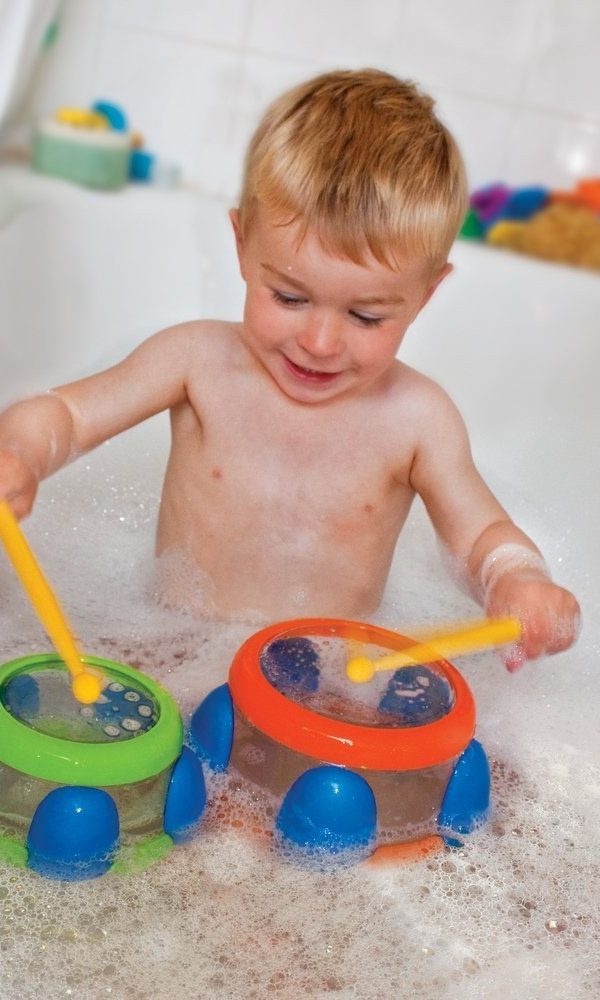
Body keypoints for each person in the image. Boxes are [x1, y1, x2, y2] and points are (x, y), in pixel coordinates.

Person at [0, 69, 580, 669]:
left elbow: (480, 535)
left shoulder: (418, 420)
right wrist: (19, 452)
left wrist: (517, 580)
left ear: (425, 295)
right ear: (242, 246)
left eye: (365, 316)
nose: (319, 342)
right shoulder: (196, 362)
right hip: (174, 647)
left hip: (333, 680)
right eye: (289, 297)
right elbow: (68, 415)